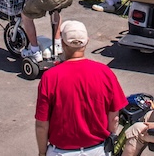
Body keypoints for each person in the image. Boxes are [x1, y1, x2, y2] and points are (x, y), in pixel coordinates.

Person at [34, 21, 127, 156]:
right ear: (87, 42)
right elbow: (114, 118)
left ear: (64, 44)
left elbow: (42, 124)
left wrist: (42, 153)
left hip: (60, 152)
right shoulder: (105, 73)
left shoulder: (50, 77)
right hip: (98, 150)